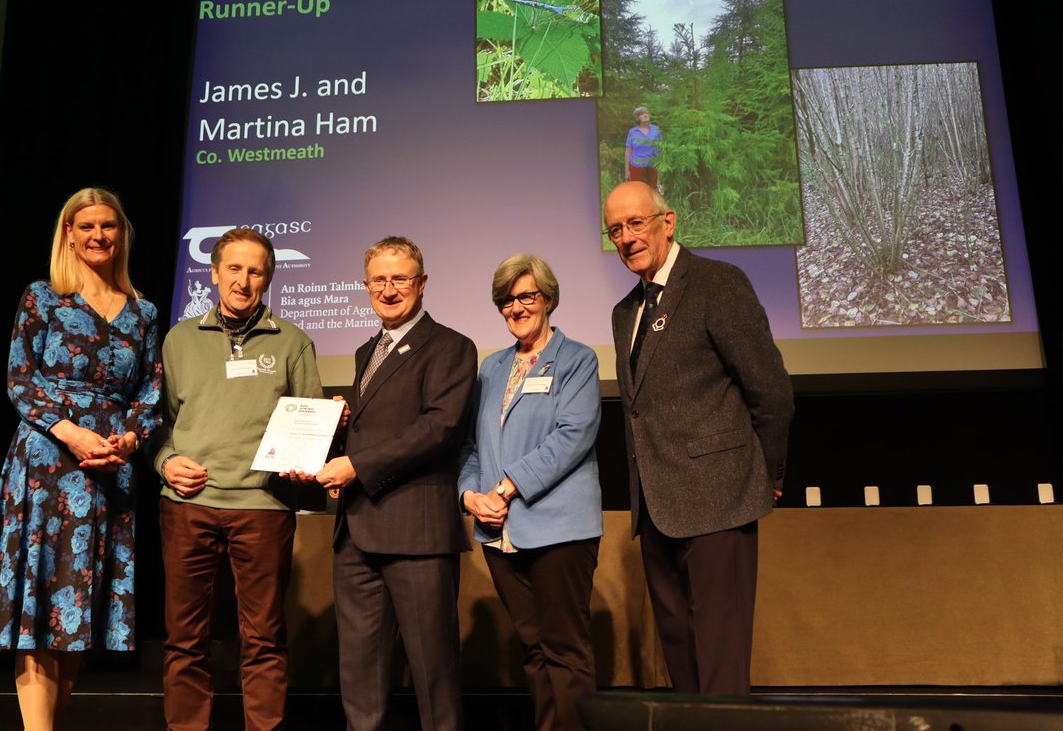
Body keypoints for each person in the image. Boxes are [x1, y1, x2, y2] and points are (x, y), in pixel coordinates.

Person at [0, 187, 162, 731]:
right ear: (68, 235)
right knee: (40, 602)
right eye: (86, 226)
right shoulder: (43, 298)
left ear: (121, 234)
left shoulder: (144, 311)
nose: (98, 235)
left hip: (110, 467)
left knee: (79, 604)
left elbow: (151, 391)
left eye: (108, 226)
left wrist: (128, 439)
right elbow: (19, 378)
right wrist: (70, 432)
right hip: (47, 461)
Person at [603, 180, 793, 696]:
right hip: (658, 507)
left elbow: (771, 390)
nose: (626, 238)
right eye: (615, 229)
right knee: (681, 663)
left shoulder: (717, 283)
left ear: (668, 222)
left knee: (720, 664)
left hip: (719, 499)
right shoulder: (626, 312)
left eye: (636, 223)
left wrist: (767, 475)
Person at [153, 228, 324, 731]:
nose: (243, 281)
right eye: (234, 269)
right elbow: (154, 427)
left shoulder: (292, 340)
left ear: (267, 278)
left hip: (263, 506)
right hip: (187, 504)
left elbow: (310, 421)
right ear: (214, 272)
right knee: (184, 639)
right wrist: (164, 461)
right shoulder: (179, 339)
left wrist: (309, 452)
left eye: (255, 271)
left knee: (264, 638)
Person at [314, 236, 477, 731]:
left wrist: (355, 465)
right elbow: (383, 424)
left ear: (422, 283)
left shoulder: (452, 346)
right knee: (359, 679)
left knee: (435, 679)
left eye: (399, 279)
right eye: (378, 280)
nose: (388, 289)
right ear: (365, 286)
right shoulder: (367, 350)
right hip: (357, 534)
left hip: (417, 535)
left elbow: (439, 427)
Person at [459, 254, 602, 731]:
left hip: (560, 528)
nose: (516, 307)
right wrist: (471, 497)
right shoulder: (491, 368)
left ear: (547, 299)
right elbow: (470, 446)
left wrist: (504, 487)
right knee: (533, 649)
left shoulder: (577, 359)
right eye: (507, 300)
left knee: (564, 649)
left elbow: (572, 435)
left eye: (527, 296)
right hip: (499, 532)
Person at [624, 106, 663, 190]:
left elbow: (661, 148)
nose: (645, 115)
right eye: (642, 114)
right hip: (636, 166)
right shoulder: (632, 132)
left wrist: (661, 165)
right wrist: (627, 170)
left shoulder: (656, 130)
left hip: (653, 165)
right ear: (637, 118)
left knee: (652, 190)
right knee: (637, 190)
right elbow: (628, 151)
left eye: (646, 113)